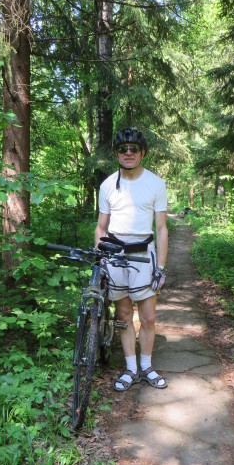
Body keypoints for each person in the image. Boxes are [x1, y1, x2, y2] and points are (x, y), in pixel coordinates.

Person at [94, 127, 168, 392]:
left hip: (144, 256)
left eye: (133, 149)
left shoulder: (156, 184)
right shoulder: (107, 185)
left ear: (142, 153)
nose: (128, 153)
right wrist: (101, 258)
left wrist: (161, 267)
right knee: (123, 314)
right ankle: (131, 369)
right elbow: (101, 227)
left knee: (148, 317)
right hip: (115, 254)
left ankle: (146, 366)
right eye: (123, 149)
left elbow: (161, 228)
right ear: (116, 153)